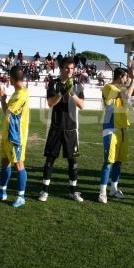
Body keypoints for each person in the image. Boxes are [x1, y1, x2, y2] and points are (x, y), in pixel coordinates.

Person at [39, 57, 85, 202]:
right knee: (50, 160)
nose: (69, 71)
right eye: (66, 68)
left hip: (71, 128)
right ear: (61, 68)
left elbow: (82, 105)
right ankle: (44, 191)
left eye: (72, 68)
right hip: (56, 127)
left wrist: (71, 93)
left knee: (72, 162)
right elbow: (50, 103)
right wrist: (61, 92)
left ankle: (73, 191)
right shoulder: (54, 83)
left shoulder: (77, 85)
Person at [97, 59, 134, 203]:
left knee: (118, 162)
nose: (127, 80)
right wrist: (133, 76)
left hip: (123, 129)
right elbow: (127, 95)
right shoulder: (109, 87)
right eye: (126, 77)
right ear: (120, 77)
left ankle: (114, 189)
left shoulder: (122, 88)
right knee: (108, 162)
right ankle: (102, 192)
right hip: (111, 129)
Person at [0, 64, 30, 208]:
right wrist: (2, 98)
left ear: (11, 79)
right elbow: (7, 113)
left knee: (19, 165)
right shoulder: (16, 93)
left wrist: (2, 99)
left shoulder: (21, 95)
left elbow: (8, 113)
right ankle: (2, 192)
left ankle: (21, 196)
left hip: (16, 137)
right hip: (8, 134)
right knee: (5, 162)